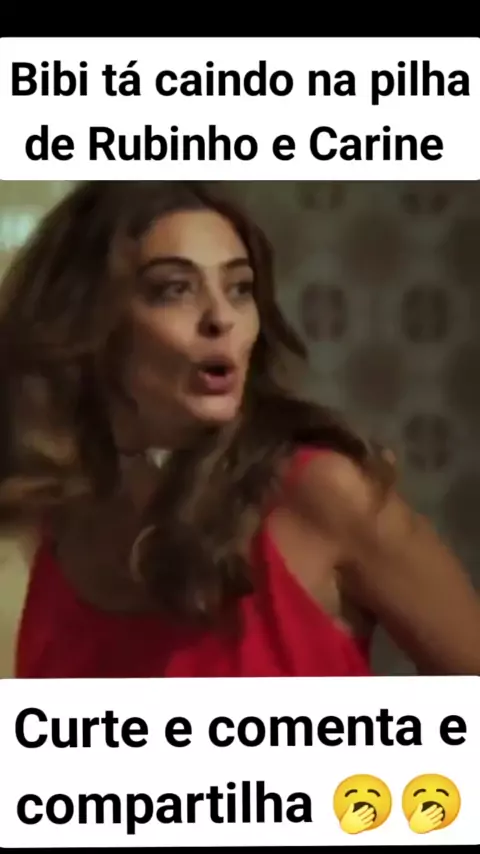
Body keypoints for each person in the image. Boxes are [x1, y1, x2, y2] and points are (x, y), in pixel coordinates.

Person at [0, 180, 478, 679]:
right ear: (86, 320)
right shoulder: (61, 518)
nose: (221, 318)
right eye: (175, 289)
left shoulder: (321, 493)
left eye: (239, 288)